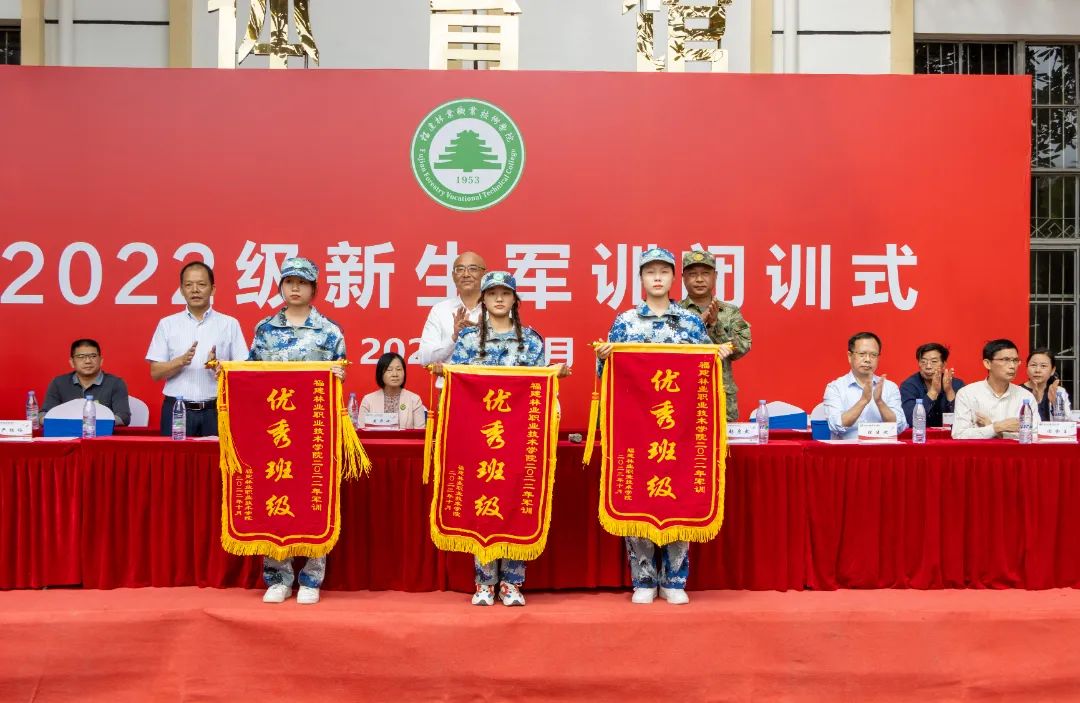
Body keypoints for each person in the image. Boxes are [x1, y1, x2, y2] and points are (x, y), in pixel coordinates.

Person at [436, 270, 569, 607]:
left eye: (505, 293)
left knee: (516, 503)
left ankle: (512, 582)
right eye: (492, 293)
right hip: (481, 440)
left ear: (514, 299)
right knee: (482, 503)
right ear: (483, 299)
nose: (499, 299)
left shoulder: (531, 340)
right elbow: (458, 386)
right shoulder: (469, 340)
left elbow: (540, 389)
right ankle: (484, 582)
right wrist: (445, 373)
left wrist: (554, 375)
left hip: (519, 440)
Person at [595, 247, 711, 606]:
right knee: (638, 497)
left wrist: (718, 355)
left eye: (663, 271)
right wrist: (604, 358)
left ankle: (674, 579)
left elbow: (706, 373)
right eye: (650, 272)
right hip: (637, 429)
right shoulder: (626, 322)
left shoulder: (690, 322)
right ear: (641, 278)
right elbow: (607, 375)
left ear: (674, 277)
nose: (657, 278)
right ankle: (644, 577)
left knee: (679, 497)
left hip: (679, 429)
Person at [249, 257, 347, 606]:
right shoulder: (265, 329)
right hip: (276, 432)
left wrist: (337, 376)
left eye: (302, 283)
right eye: (289, 281)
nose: (295, 288)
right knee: (275, 498)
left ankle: (311, 577)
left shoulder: (329, 331)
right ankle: (278, 576)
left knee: (314, 499)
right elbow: (251, 375)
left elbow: (338, 375)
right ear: (280, 286)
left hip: (313, 432)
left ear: (313, 289)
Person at [146, 262, 247, 437]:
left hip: (216, 410)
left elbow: (243, 370)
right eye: (188, 285)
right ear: (181, 290)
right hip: (177, 410)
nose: (195, 290)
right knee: (175, 456)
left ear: (212, 289)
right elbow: (155, 373)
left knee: (217, 456)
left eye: (201, 284)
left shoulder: (229, 324)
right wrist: (180, 361)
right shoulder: (167, 324)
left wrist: (220, 367)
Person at [677, 250, 751, 422]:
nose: (699, 279)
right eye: (692, 274)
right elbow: (668, 351)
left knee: (722, 439)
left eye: (705, 273)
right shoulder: (674, 312)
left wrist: (715, 325)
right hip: (682, 393)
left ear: (715, 276)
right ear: (683, 278)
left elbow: (742, 348)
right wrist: (698, 327)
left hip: (721, 395)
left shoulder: (730, 312)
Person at [418, 251, 487, 388]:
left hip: (488, 392)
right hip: (449, 391)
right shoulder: (440, 310)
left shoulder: (497, 310)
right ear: (453, 276)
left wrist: (485, 335)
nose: (466, 274)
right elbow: (424, 358)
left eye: (473, 269)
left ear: (484, 274)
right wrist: (454, 338)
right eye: (460, 269)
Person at [823, 332, 907, 440]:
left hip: (882, 448)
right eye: (862, 354)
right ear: (850, 356)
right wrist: (863, 401)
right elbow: (835, 425)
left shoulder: (890, 387)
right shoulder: (835, 388)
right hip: (847, 449)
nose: (868, 359)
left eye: (873, 355)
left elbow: (899, 427)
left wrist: (880, 402)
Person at [953, 339, 1039, 439]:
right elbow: (959, 434)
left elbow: (1036, 434)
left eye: (1015, 360)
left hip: (1014, 450)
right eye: (1005, 360)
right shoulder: (967, 394)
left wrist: (997, 432)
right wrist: (997, 427)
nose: (1012, 366)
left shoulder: (1026, 396)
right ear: (987, 363)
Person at [41, 339, 132, 425]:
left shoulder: (115, 383)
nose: (88, 361)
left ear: (101, 360)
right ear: (72, 362)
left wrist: (90, 423)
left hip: (102, 434)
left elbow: (123, 417)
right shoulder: (58, 383)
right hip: (66, 432)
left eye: (93, 356)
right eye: (81, 357)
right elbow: (43, 415)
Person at [899, 342, 965, 427]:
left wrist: (949, 392)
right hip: (921, 434)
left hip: (951, 435)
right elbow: (909, 421)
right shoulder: (909, 386)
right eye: (923, 362)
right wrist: (933, 392)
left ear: (944, 364)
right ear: (918, 363)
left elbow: (964, 420)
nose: (928, 366)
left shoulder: (957, 385)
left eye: (934, 361)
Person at [358, 352, 426, 429]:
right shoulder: (368, 400)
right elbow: (362, 432)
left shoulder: (414, 400)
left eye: (399, 369)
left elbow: (420, 433)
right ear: (380, 373)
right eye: (389, 370)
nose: (395, 374)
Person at [1021, 348, 1072, 421]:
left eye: (1043, 366)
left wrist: (1055, 404)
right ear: (1027, 368)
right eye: (1033, 365)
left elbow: (1068, 421)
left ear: (1052, 370)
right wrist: (1035, 402)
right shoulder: (1018, 391)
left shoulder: (1059, 391)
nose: (1037, 370)